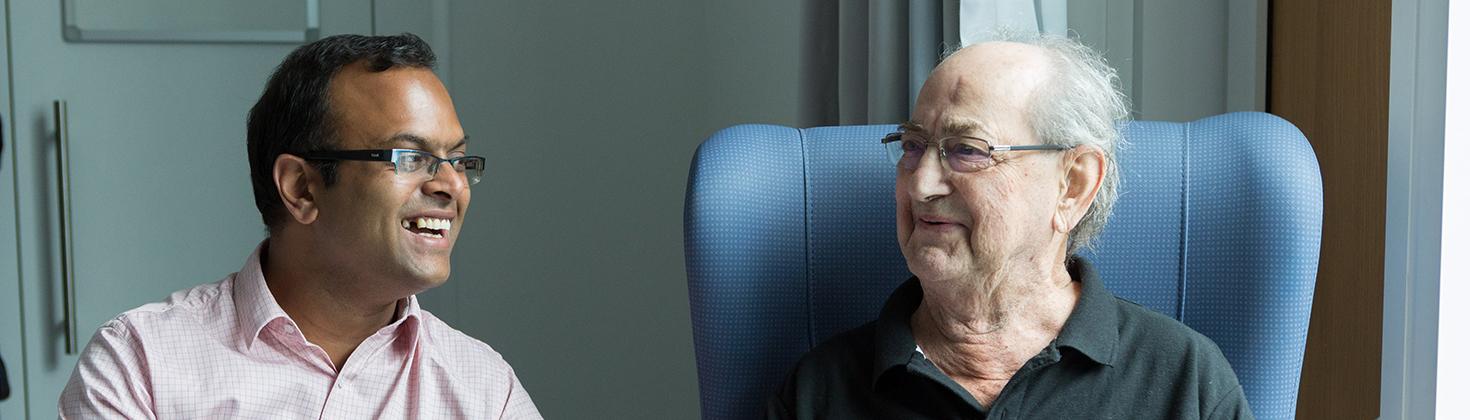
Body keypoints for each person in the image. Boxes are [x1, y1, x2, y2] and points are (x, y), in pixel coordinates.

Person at [767, 34, 1252, 419]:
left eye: (967, 150)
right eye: (913, 145)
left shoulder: (1184, 380)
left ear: (1073, 186)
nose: (921, 185)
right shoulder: (820, 391)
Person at [59, 33, 541, 419]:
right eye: (410, 157)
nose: (452, 185)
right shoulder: (140, 364)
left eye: (458, 159)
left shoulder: (485, 389)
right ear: (301, 188)